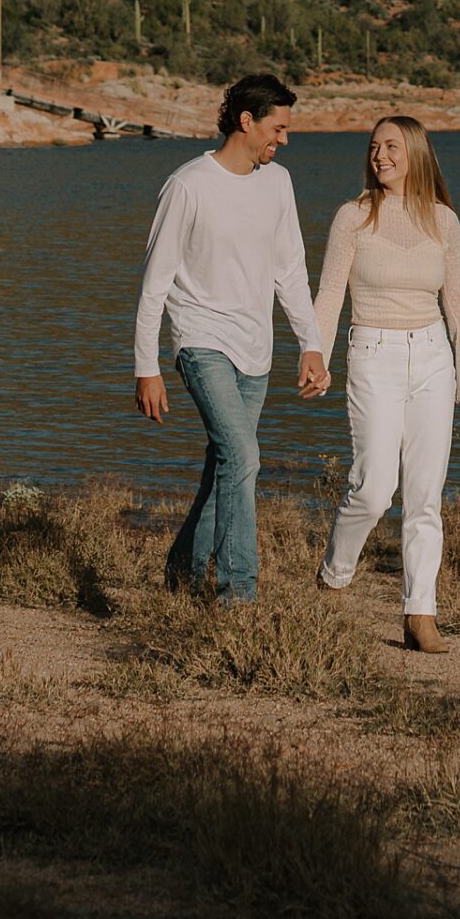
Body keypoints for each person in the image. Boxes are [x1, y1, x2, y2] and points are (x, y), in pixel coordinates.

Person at [133, 70, 327, 603]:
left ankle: (180, 571)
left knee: (225, 467)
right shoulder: (188, 185)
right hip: (202, 342)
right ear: (247, 121)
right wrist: (146, 367)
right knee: (243, 456)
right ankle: (238, 592)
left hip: (256, 351)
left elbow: (290, 269)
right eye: (278, 128)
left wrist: (311, 344)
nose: (283, 140)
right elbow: (155, 282)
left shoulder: (278, 183)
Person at [312, 115, 460, 652]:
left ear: (415, 152)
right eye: (373, 147)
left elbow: (456, 298)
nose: (379, 155)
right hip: (373, 354)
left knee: (424, 497)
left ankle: (420, 615)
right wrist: (315, 356)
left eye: (391, 146)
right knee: (371, 490)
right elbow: (329, 295)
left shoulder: (444, 221)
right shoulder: (353, 217)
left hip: (433, 357)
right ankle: (334, 575)